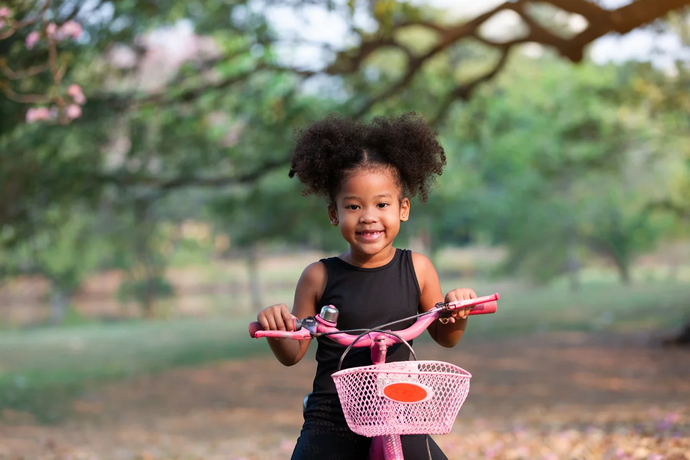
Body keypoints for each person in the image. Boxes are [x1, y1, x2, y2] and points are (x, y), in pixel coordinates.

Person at [256, 112, 478, 460]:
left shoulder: (418, 269)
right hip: (333, 416)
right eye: (354, 206)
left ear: (403, 209)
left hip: (401, 411)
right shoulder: (318, 276)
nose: (369, 216)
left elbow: (446, 336)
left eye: (382, 204)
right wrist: (279, 327)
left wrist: (458, 311)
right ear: (334, 214)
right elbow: (292, 353)